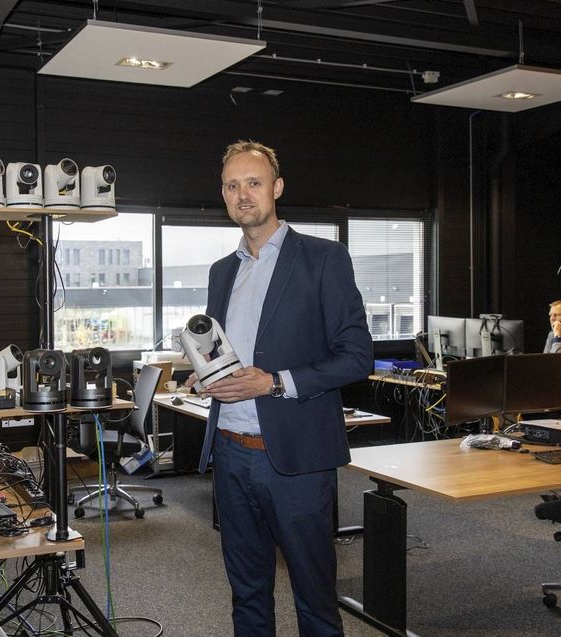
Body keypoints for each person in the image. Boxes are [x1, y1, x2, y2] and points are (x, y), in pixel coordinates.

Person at [186, 140, 373, 637]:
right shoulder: (221, 272)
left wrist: (274, 383)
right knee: (246, 595)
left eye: (253, 182)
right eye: (232, 185)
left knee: (314, 599)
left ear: (277, 188)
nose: (243, 194)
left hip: (295, 459)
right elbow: (227, 352)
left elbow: (357, 357)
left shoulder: (323, 259)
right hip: (230, 455)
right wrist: (207, 376)